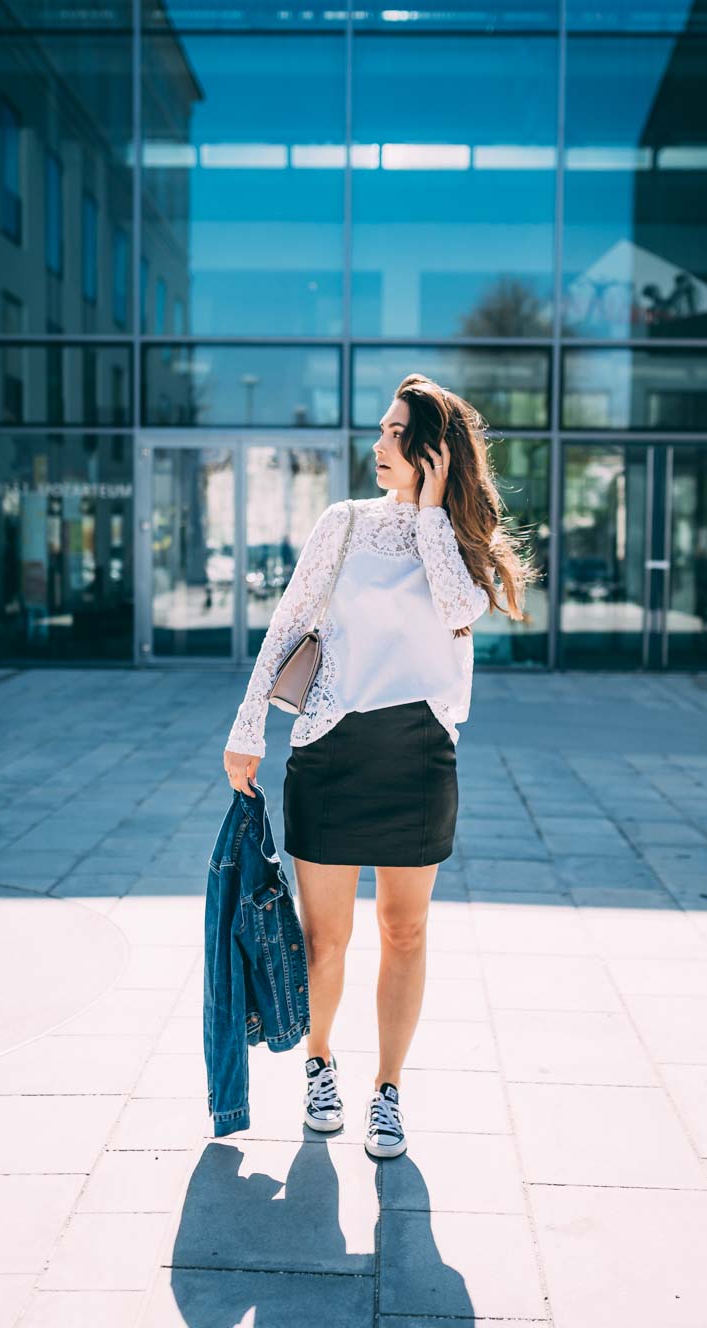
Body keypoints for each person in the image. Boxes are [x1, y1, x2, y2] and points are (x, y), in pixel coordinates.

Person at [223, 372, 537, 1158]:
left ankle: (387, 1090)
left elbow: (460, 613)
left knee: (404, 931)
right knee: (323, 938)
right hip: (330, 747)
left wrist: (431, 515)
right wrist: (247, 724)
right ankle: (320, 1063)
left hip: (419, 756)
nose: (379, 444)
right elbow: (290, 619)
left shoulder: (459, 538)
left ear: (436, 451)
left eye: (398, 433)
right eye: (382, 430)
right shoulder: (345, 522)